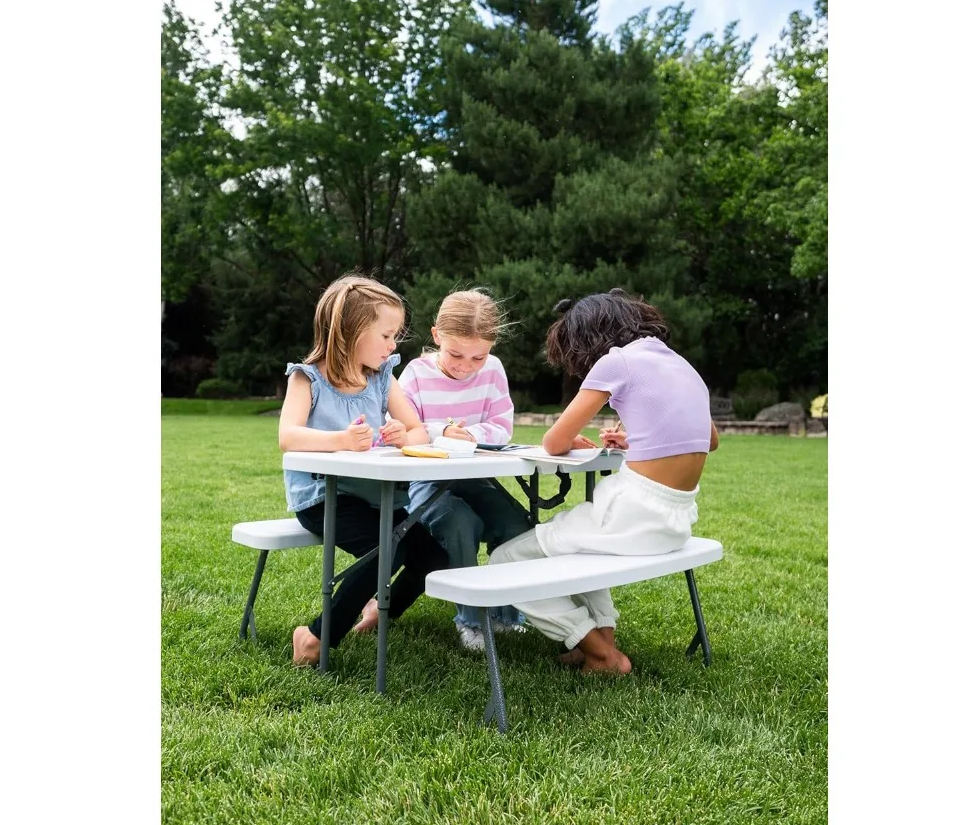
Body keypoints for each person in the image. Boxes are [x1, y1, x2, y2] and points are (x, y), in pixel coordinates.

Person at [488, 288, 720, 676]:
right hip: (675, 522)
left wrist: (569, 439)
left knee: (503, 560)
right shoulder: (681, 364)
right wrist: (638, 440)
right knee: (583, 550)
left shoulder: (617, 362)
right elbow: (710, 439)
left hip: (631, 513)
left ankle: (599, 651)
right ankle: (602, 640)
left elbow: (553, 441)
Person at [279, 274, 448, 666]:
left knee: (433, 558)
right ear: (352, 332)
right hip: (325, 497)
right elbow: (288, 436)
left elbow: (419, 430)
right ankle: (315, 637)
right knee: (388, 551)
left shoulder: (381, 377)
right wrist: (340, 439)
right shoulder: (308, 379)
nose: (393, 345)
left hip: (377, 495)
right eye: (387, 335)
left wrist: (403, 436)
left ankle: (377, 613)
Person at [355, 289, 532, 652]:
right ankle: (471, 620)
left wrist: (471, 434)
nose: (465, 366)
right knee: (459, 524)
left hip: (475, 476)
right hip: (426, 481)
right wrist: (440, 433)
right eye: (455, 354)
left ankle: (507, 616)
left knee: (517, 527)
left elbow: (502, 425)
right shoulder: (415, 376)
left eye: (477, 357)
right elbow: (400, 428)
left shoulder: (493, 370)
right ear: (436, 336)